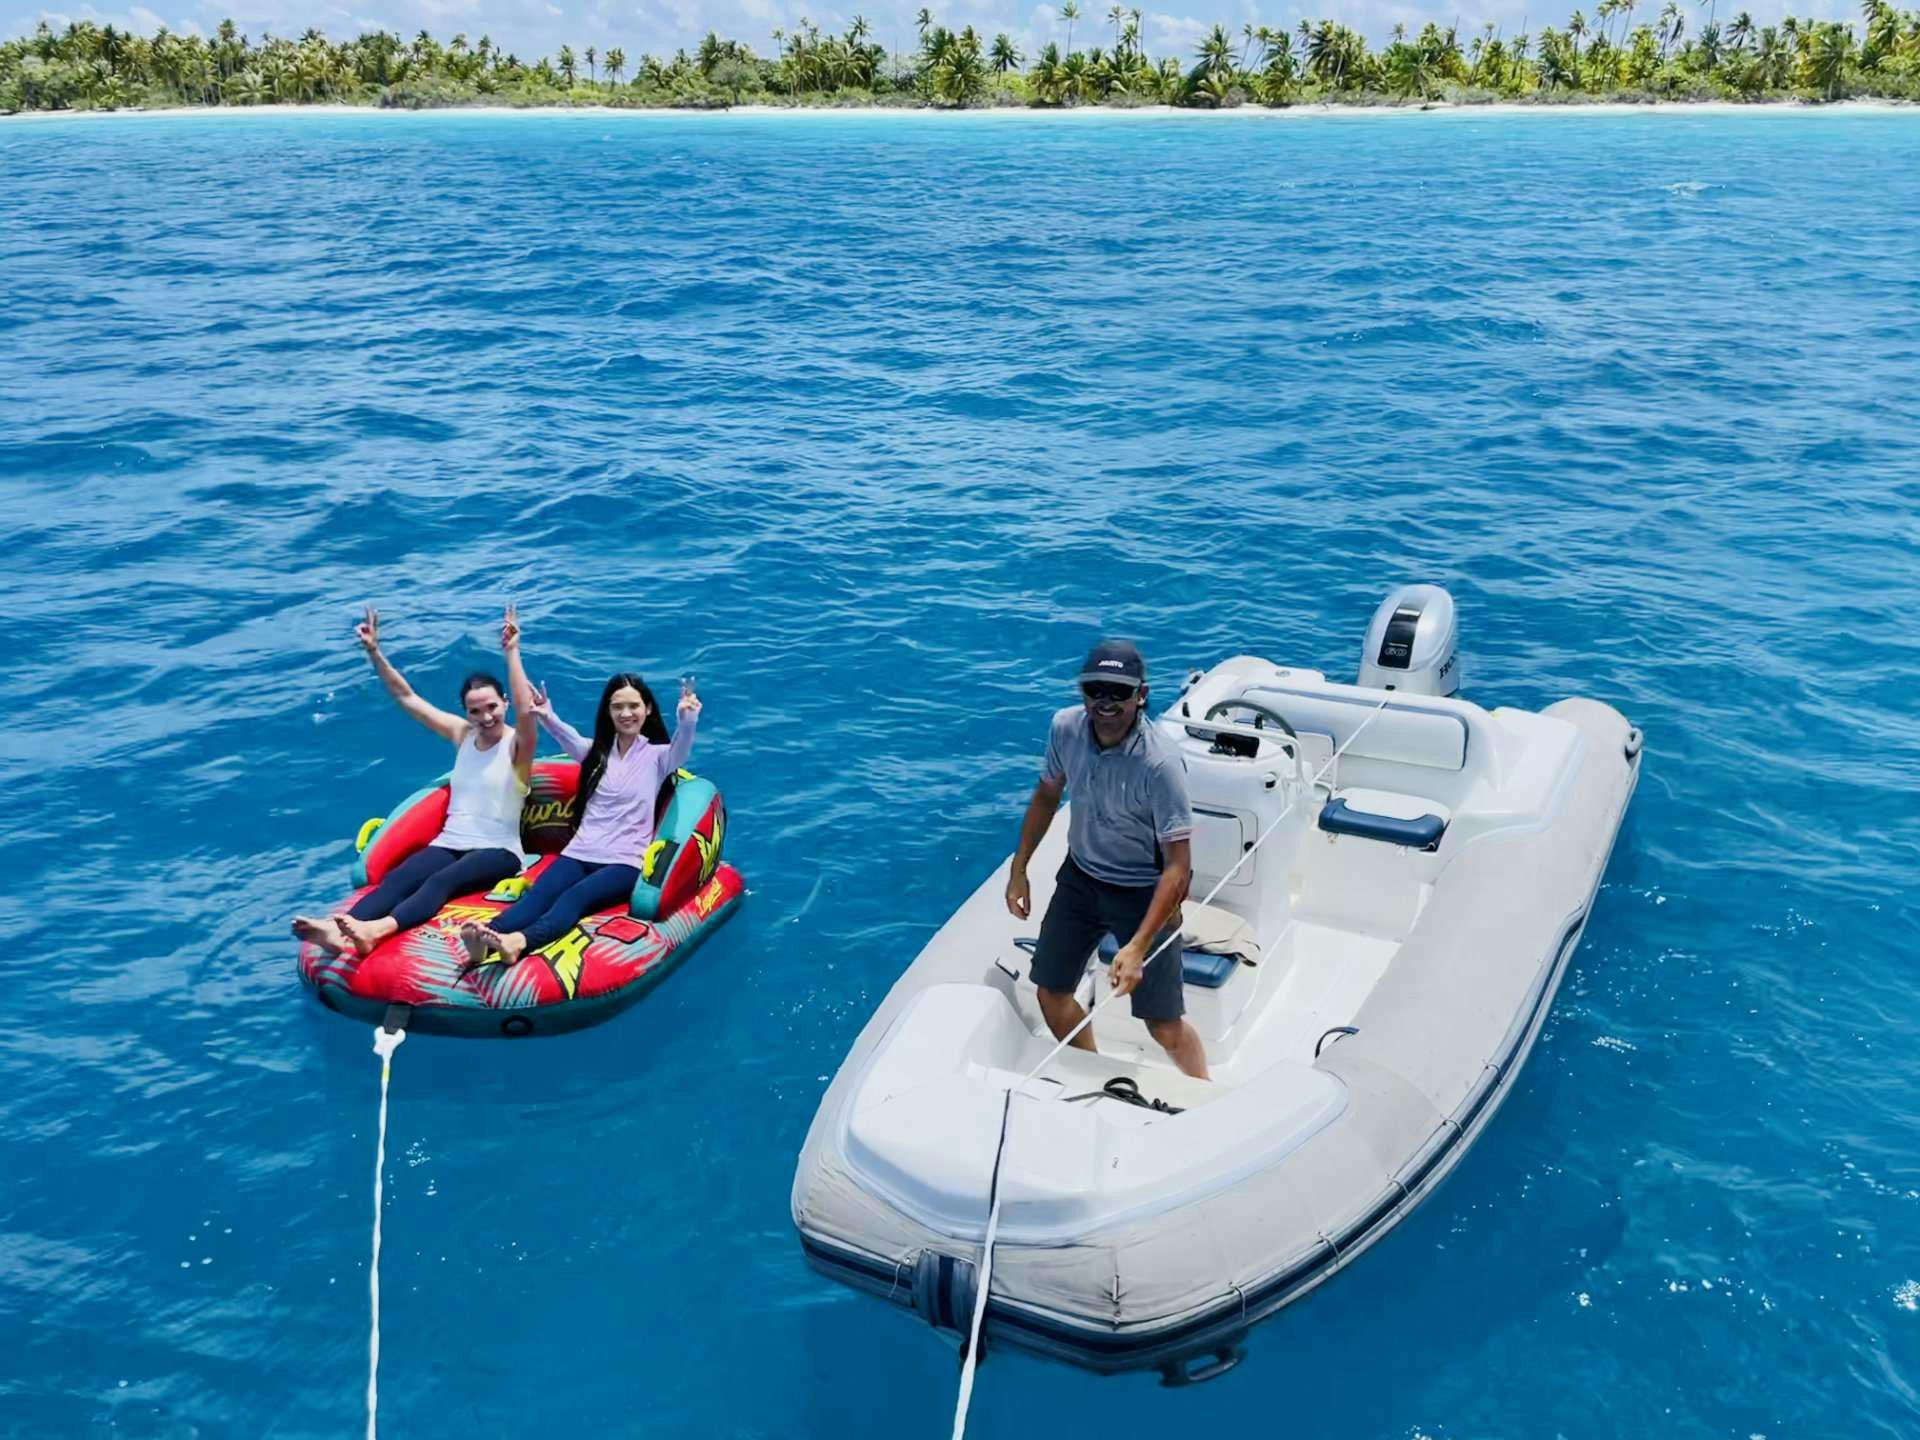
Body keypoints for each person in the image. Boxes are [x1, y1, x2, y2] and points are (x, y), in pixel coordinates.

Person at [1005, 639, 1207, 1080]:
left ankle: (1204, 1089)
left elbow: (1178, 868)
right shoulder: (1065, 728)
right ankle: (1098, 1076)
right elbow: (1046, 795)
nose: (1105, 701)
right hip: (1081, 879)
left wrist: (1136, 947)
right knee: (1050, 993)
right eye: (1095, 689)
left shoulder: (1161, 764)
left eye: (1119, 691)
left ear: (1142, 695)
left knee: (1163, 1025)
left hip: (1144, 892)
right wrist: (1018, 870)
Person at [292, 603, 536, 957]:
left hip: (499, 851)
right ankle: (335, 929)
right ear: (465, 712)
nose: (485, 717)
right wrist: (375, 652)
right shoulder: (462, 735)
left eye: (492, 707)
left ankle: (377, 931)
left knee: (441, 881)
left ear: (505, 703)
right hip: (450, 841)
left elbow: (528, 711)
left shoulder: (518, 748)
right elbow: (407, 697)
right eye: (475, 710)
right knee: (400, 878)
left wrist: (512, 652)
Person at [462, 644, 700, 966]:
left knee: (573, 898)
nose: (626, 714)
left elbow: (682, 749)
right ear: (608, 712)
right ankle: (486, 935)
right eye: (618, 707)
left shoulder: (659, 757)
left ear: (647, 710)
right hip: (580, 851)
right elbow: (567, 737)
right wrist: (546, 715)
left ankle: (518, 942)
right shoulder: (596, 753)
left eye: (633, 706)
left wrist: (687, 721)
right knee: (539, 895)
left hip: (624, 861)